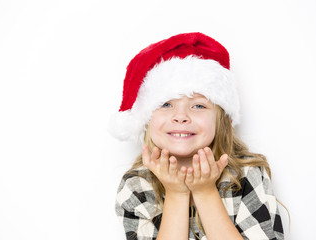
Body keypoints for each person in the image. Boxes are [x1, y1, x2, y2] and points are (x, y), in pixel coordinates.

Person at [109, 32, 284, 240]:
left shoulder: (246, 174)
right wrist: (176, 194)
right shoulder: (136, 185)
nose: (181, 116)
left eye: (199, 105)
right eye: (166, 104)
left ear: (222, 120)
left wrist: (205, 192)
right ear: (146, 118)